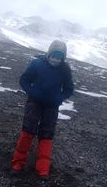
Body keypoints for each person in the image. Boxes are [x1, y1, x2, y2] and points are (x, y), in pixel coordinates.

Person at [11, 40, 74, 179]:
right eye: (53, 56)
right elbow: (24, 80)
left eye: (59, 57)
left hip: (52, 106)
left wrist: (59, 98)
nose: (55, 60)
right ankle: (18, 164)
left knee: (46, 135)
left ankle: (43, 170)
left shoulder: (65, 69)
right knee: (28, 131)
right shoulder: (37, 64)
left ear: (63, 58)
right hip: (34, 102)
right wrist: (33, 93)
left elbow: (69, 88)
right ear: (49, 54)